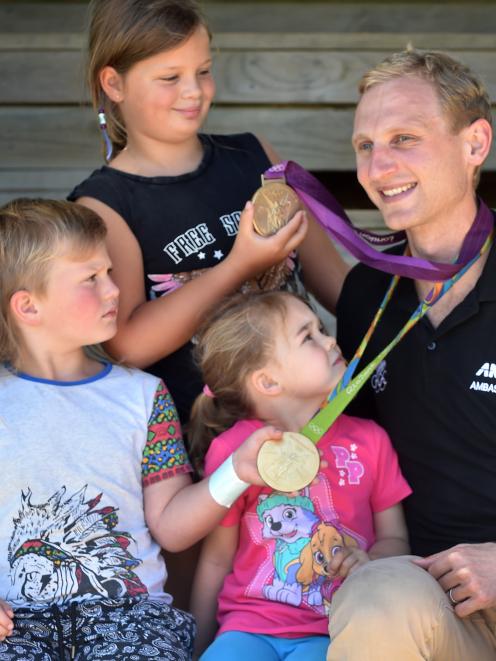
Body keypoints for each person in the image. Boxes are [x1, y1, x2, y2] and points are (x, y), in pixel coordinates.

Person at [0, 197, 284, 660]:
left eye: (109, 272)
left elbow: (171, 527)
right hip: (17, 622)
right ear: (29, 307)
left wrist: (237, 471)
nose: (114, 290)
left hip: (129, 619)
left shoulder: (143, 396)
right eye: (91, 278)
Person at [68, 0, 347, 427]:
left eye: (203, 71)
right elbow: (127, 344)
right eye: (169, 77)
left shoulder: (255, 155)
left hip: (317, 422)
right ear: (114, 83)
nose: (194, 91)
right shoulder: (104, 205)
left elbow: (338, 287)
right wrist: (239, 265)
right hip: (208, 452)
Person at [328, 49, 496, 659]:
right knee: (378, 595)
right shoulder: (367, 294)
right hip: (438, 609)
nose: (379, 165)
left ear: (475, 143)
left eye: (405, 138)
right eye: (365, 145)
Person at [187, 290, 411, 659]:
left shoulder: (370, 441)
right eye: (309, 336)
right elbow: (216, 559)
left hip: (335, 630)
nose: (331, 339)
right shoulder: (237, 453)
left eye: (321, 328)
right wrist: (196, 648)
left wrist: (371, 561)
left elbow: (396, 539)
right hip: (248, 628)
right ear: (269, 382)